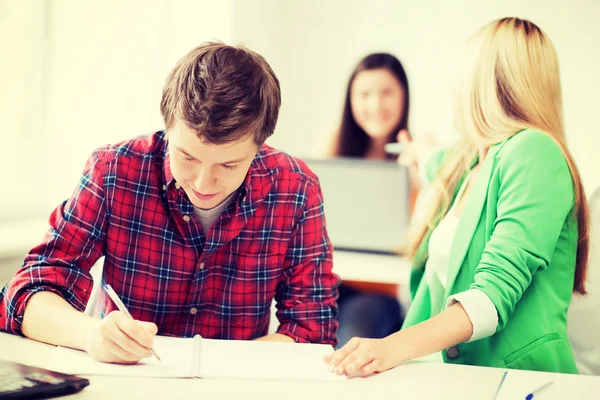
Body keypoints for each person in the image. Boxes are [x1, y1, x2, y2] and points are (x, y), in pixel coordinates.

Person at [0, 42, 339, 364]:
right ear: (168, 126)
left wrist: (217, 369)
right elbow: (25, 293)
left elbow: (312, 330)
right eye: (187, 157)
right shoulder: (115, 171)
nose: (204, 183)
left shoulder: (296, 188)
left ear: (260, 145)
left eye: (229, 165)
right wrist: (91, 335)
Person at [325, 17, 590, 375]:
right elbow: (433, 159)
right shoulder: (473, 161)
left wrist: (391, 347)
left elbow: (490, 297)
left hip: (512, 379)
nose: (453, 86)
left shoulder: (534, 152)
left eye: (463, 72)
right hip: (451, 375)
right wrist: (419, 152)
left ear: (488, 83)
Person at [323, 53, 410, 347]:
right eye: (364, 95)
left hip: (383, 294)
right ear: (351, 101)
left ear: (403, 97)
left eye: (387, 93)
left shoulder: (416, 156)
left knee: (356, 333)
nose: (375, 106)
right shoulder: (333, 149)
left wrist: (422, 174)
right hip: (334, 285)